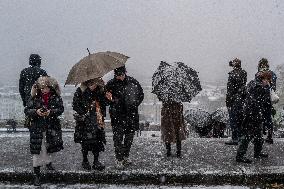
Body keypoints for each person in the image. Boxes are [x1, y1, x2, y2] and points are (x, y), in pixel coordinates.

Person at [24, 76, 64, 186]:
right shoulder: (34, 98)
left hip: (51, 127)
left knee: (50, 148)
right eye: (42, 88)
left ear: (50, 87)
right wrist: (36, 112)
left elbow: (61, 109)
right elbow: (27, 110)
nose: (44, 90)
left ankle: (48, 164)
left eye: (46, 88)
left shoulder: (55, 97)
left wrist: (50, 112)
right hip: (38, 128)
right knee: (37, 151)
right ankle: (36, 174)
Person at [105, 66, 144, 169]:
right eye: (118, 75)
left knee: (129, 139)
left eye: (122, 75)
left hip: (131, 115)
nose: (120, 77)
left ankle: (125, 156)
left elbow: (141, 95)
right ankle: (119, 159)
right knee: (117, 139)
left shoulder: (133, 82)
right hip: (117, 116)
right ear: (115, 74)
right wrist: (109, 99)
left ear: (125, 73)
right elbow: (106, 101)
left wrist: (134, 104)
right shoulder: (110, 84)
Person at [236, 71, 272, 163]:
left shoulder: (252, 83)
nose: (268, 82)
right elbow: (258, 102)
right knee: (247, 135)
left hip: (252, 113)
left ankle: (257, 152)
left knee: (258, 135)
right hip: (252, 114)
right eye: (268, 80)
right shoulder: (260, 87)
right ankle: (240, 155)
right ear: (263, 79)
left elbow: (243, 94)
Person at [72, 78, 106, 171]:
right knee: (85, 142)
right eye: (91, 84)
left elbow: (105, 103)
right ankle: (85, 160)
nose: (93, 86)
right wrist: (84, 111)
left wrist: (101, 98)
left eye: (95, 83)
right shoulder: (80, 91)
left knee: (97, 142)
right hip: (85, 121)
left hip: (97, 120)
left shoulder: (100, 90)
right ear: (87, 83)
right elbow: (75, 104)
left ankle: (96, 161)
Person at [225, 58, 247, 145]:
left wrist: (228, 101)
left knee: (233, 119)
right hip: (241, 98)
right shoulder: (244, 73)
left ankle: (235, 138)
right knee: (240, 119)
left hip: (234, 99)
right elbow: (243, 85)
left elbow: (230, 90)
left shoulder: (232, 74)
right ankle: (241, 137)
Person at [256, 58, 277, 144]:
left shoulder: (258, 74)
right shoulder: (272, 74)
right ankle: (269, 136)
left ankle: (260, 136)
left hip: (260, 99)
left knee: (259, 117)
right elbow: (274, 87)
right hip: (268, 99)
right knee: (268, 117)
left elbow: (256, 87)